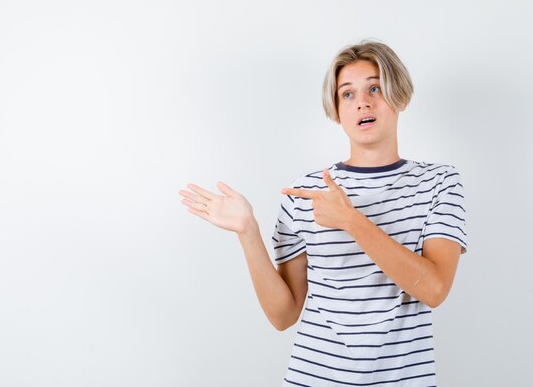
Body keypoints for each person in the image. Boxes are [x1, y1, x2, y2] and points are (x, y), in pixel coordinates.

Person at [178, 39, 467, 386]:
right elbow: (284, 315)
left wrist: (352, 221)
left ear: (400, 97)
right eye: (348, 94)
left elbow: (434, 290)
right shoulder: (306, 192)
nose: (362, 102)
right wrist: (248, 233)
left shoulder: (440, 182)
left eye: (375, 87)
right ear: (336, 110)